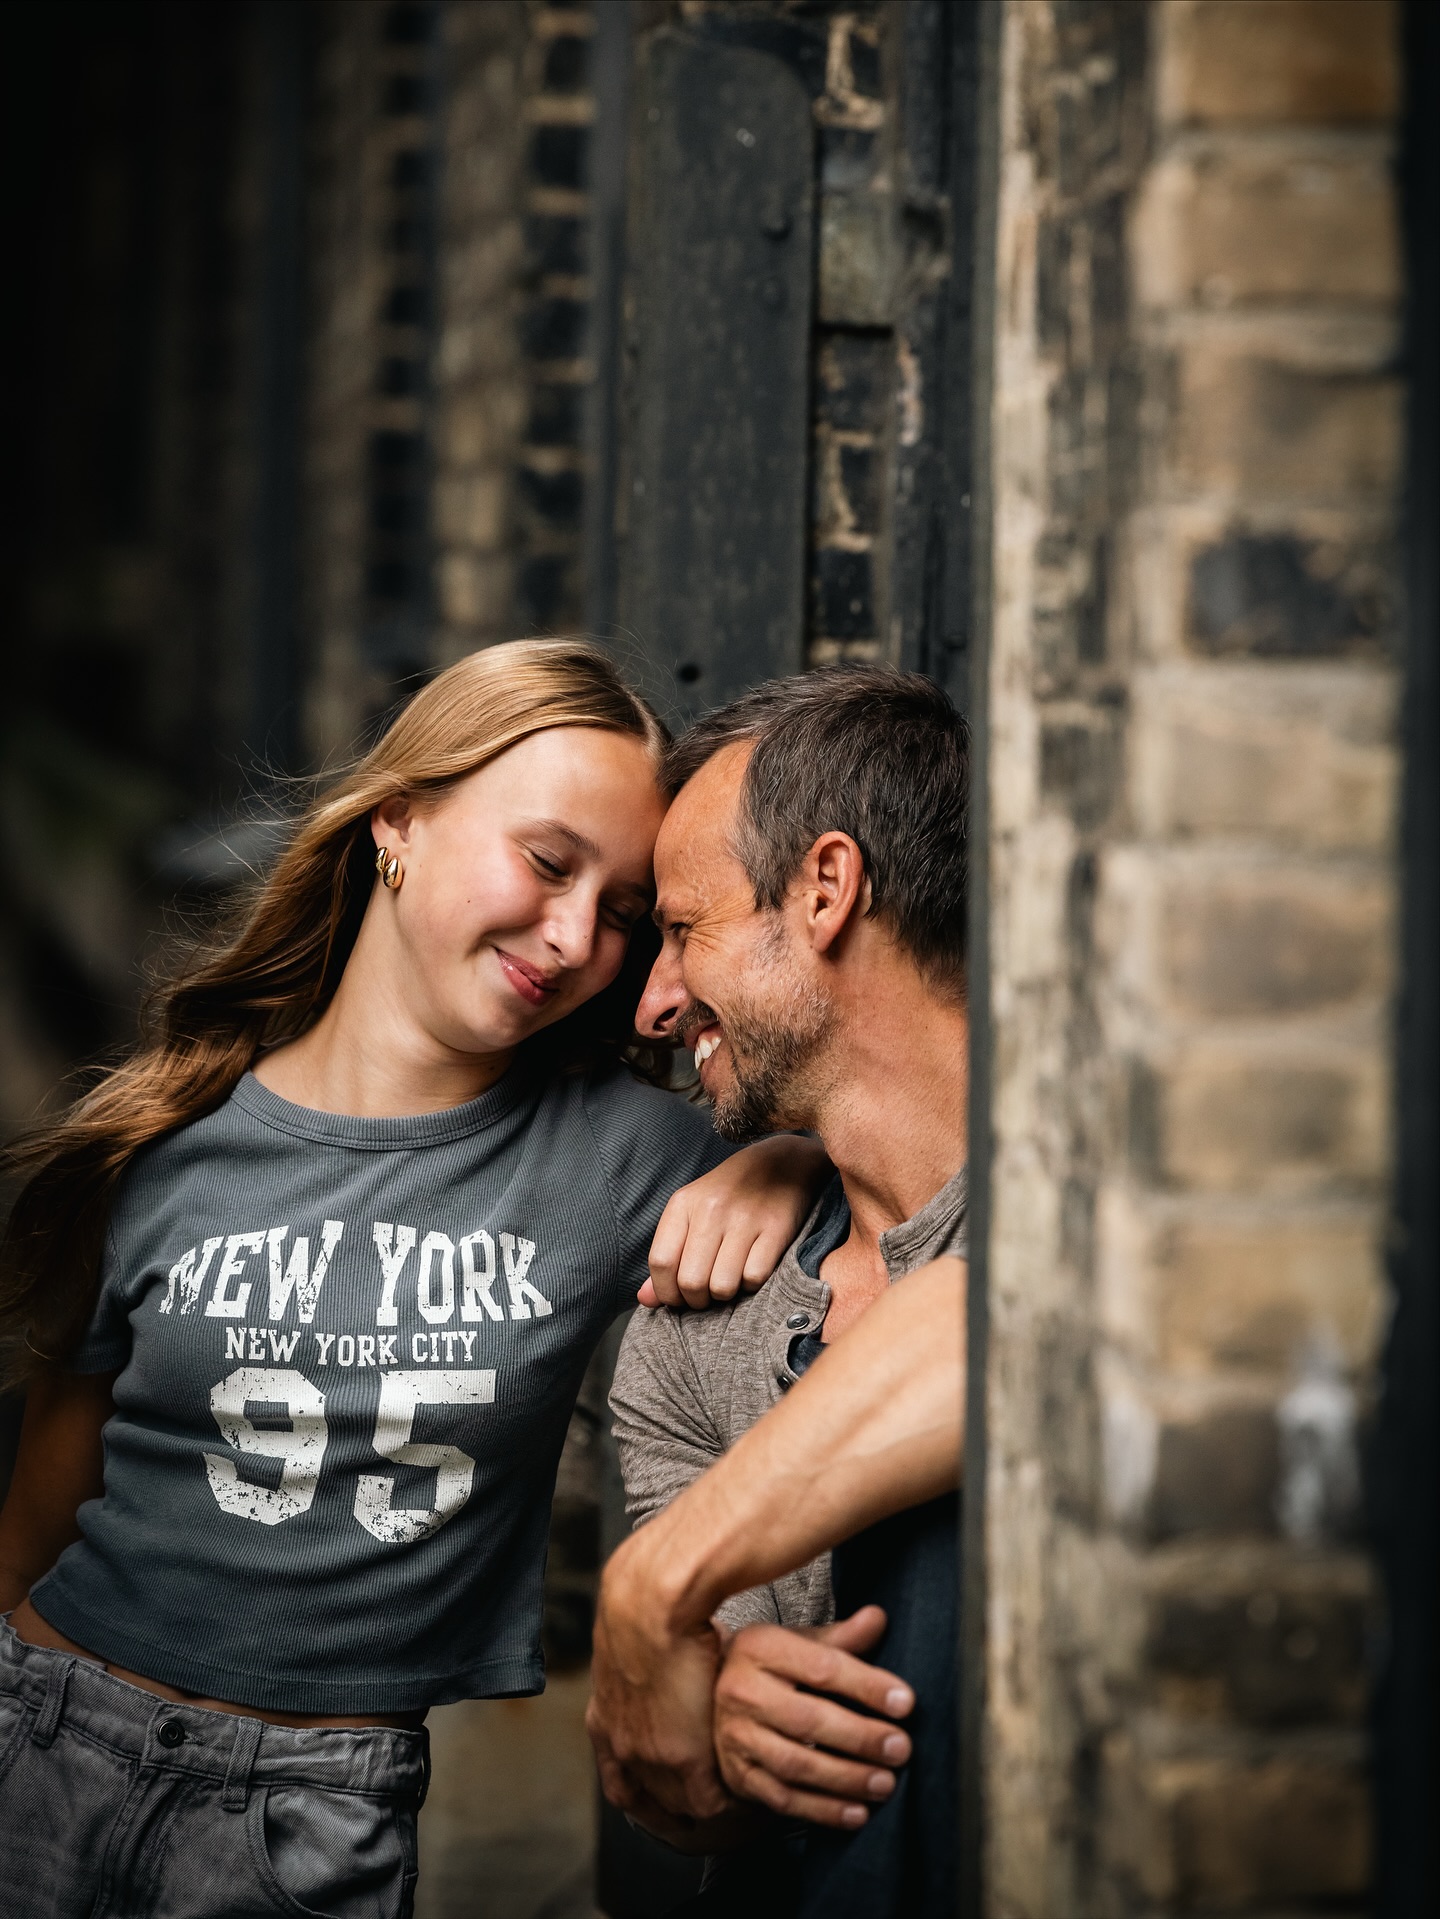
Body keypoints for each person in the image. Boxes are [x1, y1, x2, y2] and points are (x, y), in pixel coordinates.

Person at [0, 639, 830, 1919]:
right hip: (41, 1735)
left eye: (621, 914)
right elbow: (41, 1514)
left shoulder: (622, 1154)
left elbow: (906, 1174)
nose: (573, 939)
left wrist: (773, 1154)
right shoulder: (166, 1140)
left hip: (310, 1807)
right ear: (399, 821)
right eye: (549, 862)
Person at [587, 666, 970, 1918]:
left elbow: (1013, 1309)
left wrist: (655, 1588)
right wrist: (732, 1693)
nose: (649, 999)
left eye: (682, 929)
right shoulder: (692, 1333)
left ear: (825, 888)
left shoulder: (1097, 1188)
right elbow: (669, 1759)